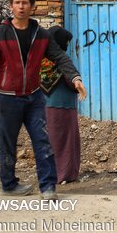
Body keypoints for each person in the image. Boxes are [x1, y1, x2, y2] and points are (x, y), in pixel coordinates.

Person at [0, 0, 87, 201]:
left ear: (32, 8)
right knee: (8, 143)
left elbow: (59, 57)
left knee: (42, 140)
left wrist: (75, 78)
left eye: (25, 3)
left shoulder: (40, 34)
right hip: (8, 96)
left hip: (34, 96)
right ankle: (9, 184)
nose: (21, 7)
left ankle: (48, 187)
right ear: (11, 7)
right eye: (17, 3)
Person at [41, 26, 81, 184]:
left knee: (51, 141)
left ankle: (51, 173)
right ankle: (64, 174)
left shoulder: (42, 62)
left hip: (46, 107)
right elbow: (71, 82)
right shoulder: (61, 60)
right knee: (65, 142)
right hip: (64, 107)